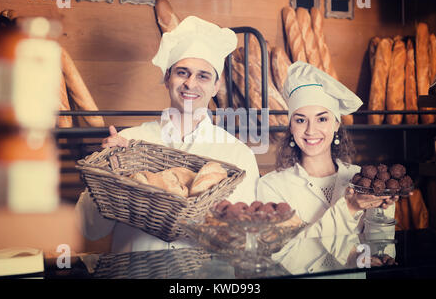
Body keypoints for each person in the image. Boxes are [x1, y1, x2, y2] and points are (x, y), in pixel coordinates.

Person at [75, 16, 260, 252]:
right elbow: (89, 229)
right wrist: (105, 173)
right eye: (182, 72)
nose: (191, 83)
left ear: (215, 86)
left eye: (203, 75)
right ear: (166, 78)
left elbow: (247, 242)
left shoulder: (237, 155)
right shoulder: (128, 142)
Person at [257, 61, 399, 238]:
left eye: (322, 119)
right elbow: (288, 256)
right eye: (300, 120)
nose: (310, 130)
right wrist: (350, 207)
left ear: (336, 124)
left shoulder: (363, 181)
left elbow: (380, 247)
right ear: (291, 127)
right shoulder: (272, 186)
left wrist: (383, 211)